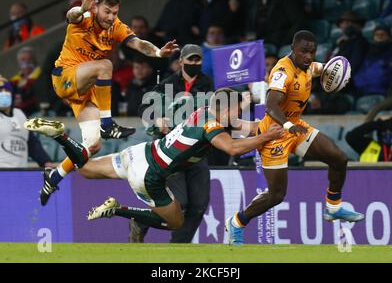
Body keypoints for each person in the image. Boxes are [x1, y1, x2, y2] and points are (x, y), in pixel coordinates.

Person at [24, 88, 285, 234]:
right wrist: (265, 138)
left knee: (86, 170)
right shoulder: (211, 125)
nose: (239, 114)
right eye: (237, 109)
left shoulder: (205, 112)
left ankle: (61, 137)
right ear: (226, 108)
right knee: (175, 223)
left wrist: (276, 126)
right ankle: (117, 210)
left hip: (139, 153)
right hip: (149, 175)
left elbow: (247, 128)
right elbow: (233, 148)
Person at [37, 0, 179, 206]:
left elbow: (139, 43)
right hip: (64, 78)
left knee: (92, 146)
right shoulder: (84, 16)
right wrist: (81, 9)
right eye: (107, 12)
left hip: (84, 91)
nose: (111, 17)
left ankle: (54, 176)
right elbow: (71, 15)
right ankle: (107, 123)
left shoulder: (116, 27)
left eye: (114, 12)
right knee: (105, 65)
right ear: (95, 7)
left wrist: (159, 52)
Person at [225, 30, 364, 246]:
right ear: (293, 49)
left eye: (312, 52)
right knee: (276, 195)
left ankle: (333, 207)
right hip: (274, 134)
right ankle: (236, 222)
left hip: (295, 128)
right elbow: (271, 106)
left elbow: (319, 69)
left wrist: (335, 73)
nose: (309, 56)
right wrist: (288, 125)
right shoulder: (282, 72)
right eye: (304, 52)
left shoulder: (309, 66)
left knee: (338, 158)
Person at [134, 44, 214, 243]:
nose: (194, 63)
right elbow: (144, 107)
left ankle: (178, 247)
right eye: (190, 59)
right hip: (172, 151)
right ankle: (141, 222)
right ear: (181, 61)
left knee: (199, 205)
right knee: (180, 204)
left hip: (196, 151)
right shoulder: (167, 84)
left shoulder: (208, 85)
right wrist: (157, 119)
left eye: (197, 60)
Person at [0, 78, 55, 168]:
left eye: (6, 90)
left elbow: (32, 143)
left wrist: (45, 161)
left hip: (22, 172)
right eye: (0, 91)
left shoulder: (20, 114)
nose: (3, 93)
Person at [352, 25, 392, 98]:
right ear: (373, 38)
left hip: (382, 91)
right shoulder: (368, 52)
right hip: (361, 90)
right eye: (377, 35)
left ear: (389, 37)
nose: (380, 36)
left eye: (383, 34)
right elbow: (361, 71)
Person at [10, 46, 42, 116]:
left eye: (30, 59)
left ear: (35, 61)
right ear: (19, 63)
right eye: (23, 60)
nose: (26, 62)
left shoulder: (41, 77)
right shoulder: (14, 81)